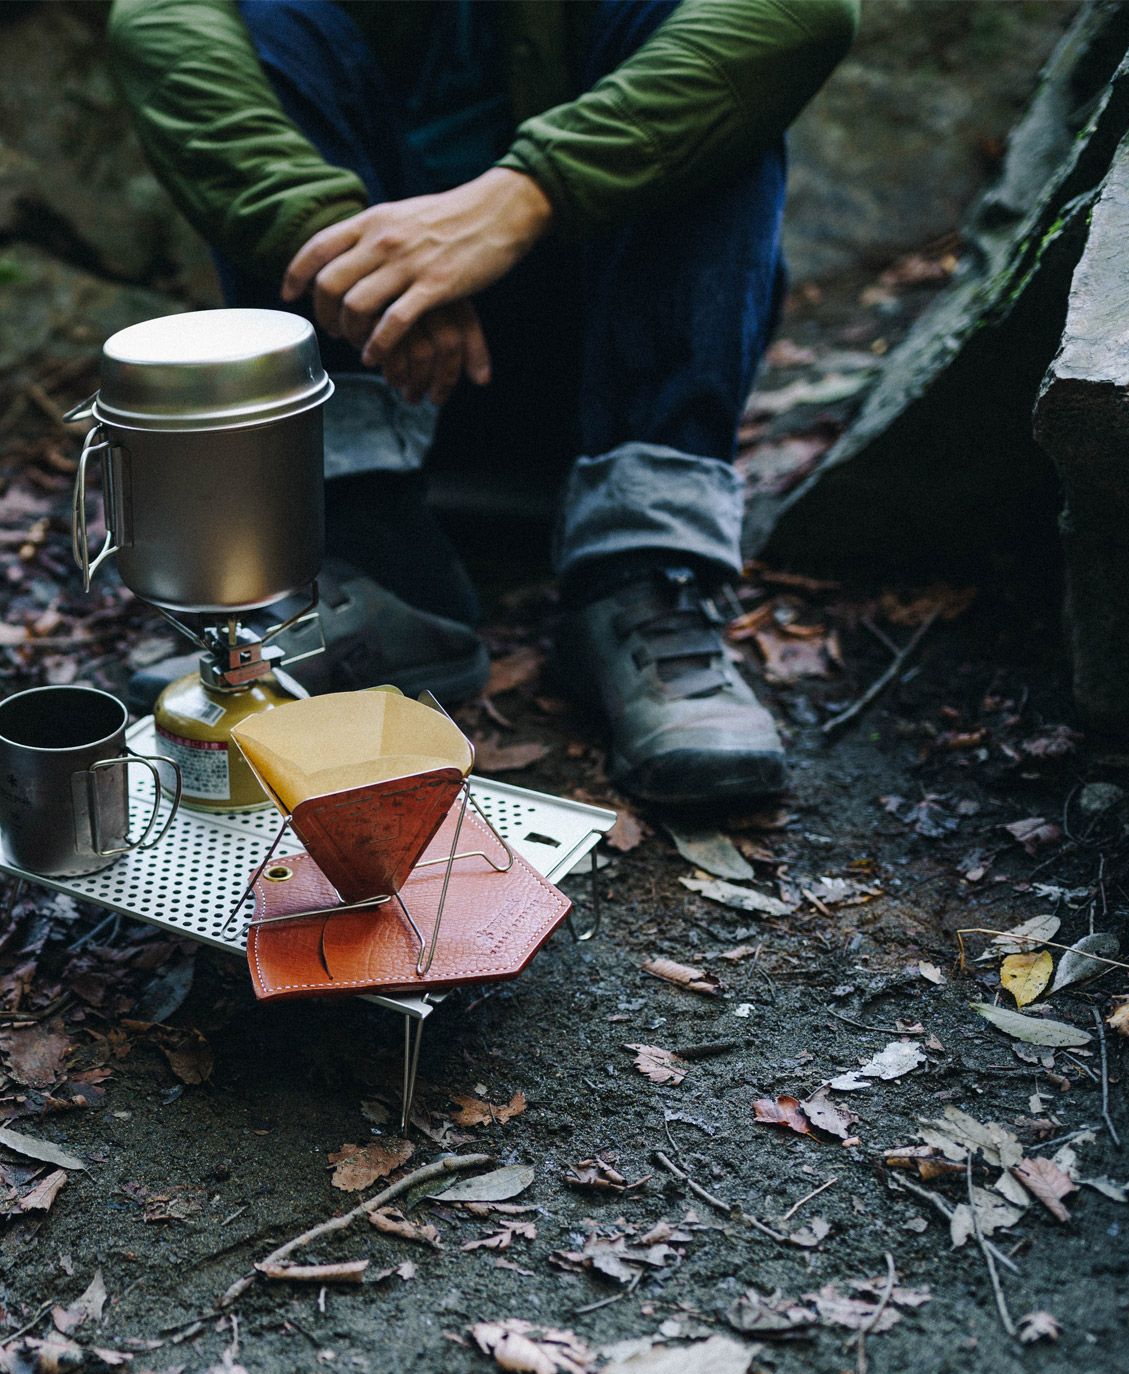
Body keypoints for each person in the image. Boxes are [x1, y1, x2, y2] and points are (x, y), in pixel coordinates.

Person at [108, 0, 859, 803]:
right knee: (262, 22)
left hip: (605, 378)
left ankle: (646, 576)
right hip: (388, 363)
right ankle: (376, 562)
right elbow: (159, 17)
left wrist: (522, 198)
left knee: (709, 52)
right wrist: (356, 251)